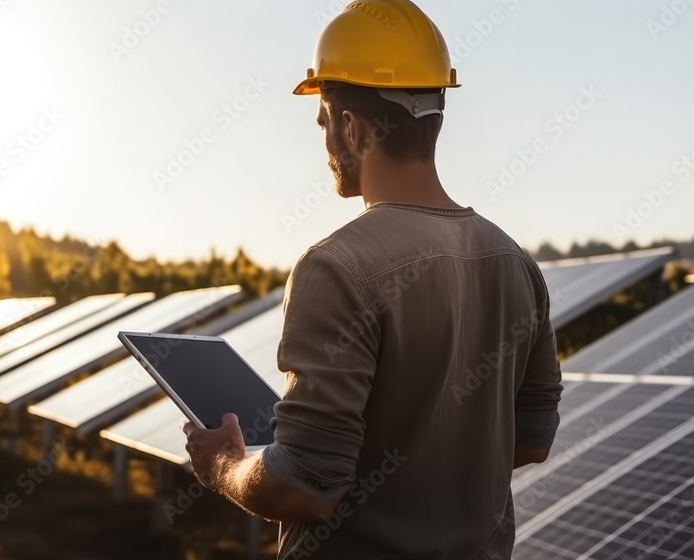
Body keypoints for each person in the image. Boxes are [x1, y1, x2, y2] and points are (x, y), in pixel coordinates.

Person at [182, 0, 563, 557]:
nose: (325, 140)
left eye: (323, 121)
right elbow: (532, 439)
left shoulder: (336, 268)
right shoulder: (515, 263)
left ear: (351, 127)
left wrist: (224, 466)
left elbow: (304, 488)